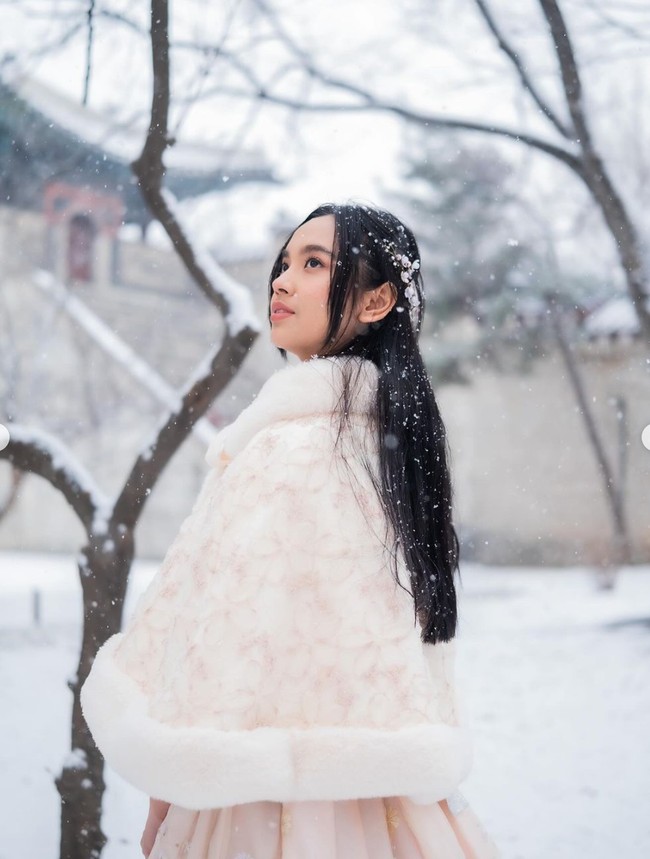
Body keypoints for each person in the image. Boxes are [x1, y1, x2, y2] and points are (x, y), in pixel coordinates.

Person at [80, 203, 500, 858]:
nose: (281, 281)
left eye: (313, 264)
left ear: (376, 300)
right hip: (385, 796)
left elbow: (223, 625)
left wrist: (173, 774)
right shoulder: (379, 446)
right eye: (284, 262)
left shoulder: (294, 447)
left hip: (257, 796)